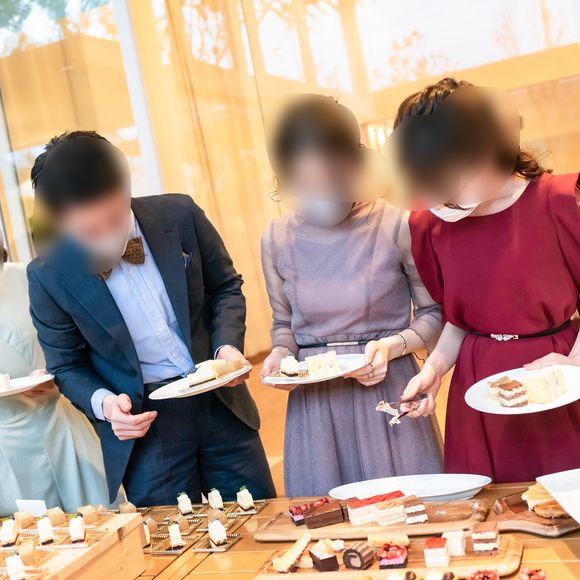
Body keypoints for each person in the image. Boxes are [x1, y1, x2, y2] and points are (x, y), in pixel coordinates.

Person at [27, 131, 275, 506]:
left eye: (114, 219)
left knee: (259, 517)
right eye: (89, 231)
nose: (106, 236)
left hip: (221, 402)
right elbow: (65, 365)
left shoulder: (180, 215)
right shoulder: (48, 274)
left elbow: (225, 286)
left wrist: (226, 348)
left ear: (125, 186)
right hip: (147, 426)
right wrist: (106, 405)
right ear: (61, 223)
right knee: (171, 536)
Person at [395, 78, 580, 482]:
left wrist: (572, 363)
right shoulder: (431, 225)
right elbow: (460, 320)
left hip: (557, 377)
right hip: (477, 388)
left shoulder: (560, 201)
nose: (441, 195)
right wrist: (434, 371)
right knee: (487, 510)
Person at [260, 95, 443, 497]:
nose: (319, 194)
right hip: (316, 407)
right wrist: (280, 355)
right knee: (327, 518)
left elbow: (433, 314)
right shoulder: (276, 238)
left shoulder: (396, 224)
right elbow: (284, 324)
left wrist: (394, 346)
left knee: (407, 511)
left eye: (330, 181)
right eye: (304, 185)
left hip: (387, 387)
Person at [0, 234, 117, 513]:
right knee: (35, 532)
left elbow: (69, 337)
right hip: (8, 444)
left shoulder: (24, 276)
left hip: (60, 420)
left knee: (103, 517)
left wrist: (56, 369)